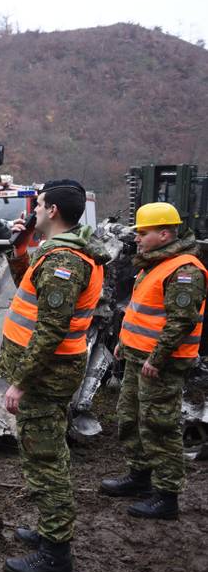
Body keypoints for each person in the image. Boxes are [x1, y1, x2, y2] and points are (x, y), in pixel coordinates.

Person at [0, 180, 108, 572]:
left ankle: (56, 554)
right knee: (47, 452)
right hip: (51, 372)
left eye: (39, 205)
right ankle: (49, 531)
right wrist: (20, 249)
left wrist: (20, 382)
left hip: (45, 375)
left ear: (54, 210)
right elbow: (31, 288)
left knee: (45, 460)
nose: (35, 211)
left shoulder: (66, 262)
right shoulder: (57, 255)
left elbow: (50, 329)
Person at [100, 202, 206, 520]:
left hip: (161, 362)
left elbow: (180, 321)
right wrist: (123, 342)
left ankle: (166, 495)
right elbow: (140, 311)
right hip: (136, 356)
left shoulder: (184, 270)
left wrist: (158, 358)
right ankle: (140, 477)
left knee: (159, 425)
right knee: (130, 417)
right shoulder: (154, 264)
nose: (138, 239)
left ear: (164, 233)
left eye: (143, 233)